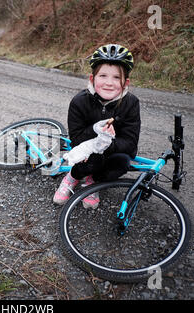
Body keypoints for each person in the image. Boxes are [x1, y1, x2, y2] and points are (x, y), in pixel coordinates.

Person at [53, 44, 141, 208]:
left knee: (122, 163)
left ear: (125, 82)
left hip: (113, 151)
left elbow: (130, 143)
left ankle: (93, 181)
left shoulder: (131, 103)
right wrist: (95, 130)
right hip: (87, 150)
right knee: (90, 160)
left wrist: (108, 143)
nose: (109, 83)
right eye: (103, 76)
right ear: (92, 79)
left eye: (116, 77)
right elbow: (77, 138)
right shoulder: (79, 102)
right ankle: (72, 177)